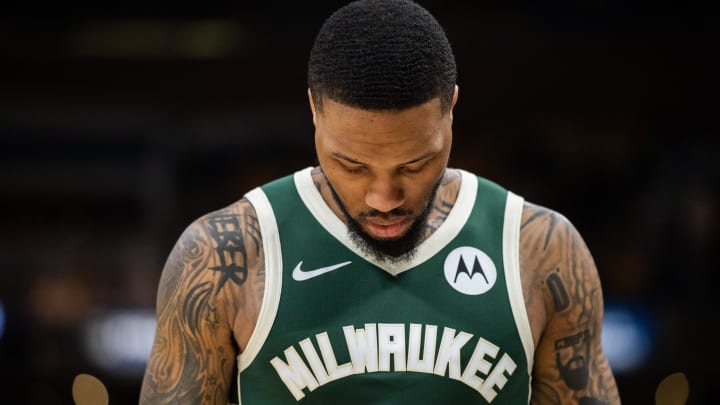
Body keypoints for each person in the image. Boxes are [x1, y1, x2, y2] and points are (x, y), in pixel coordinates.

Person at [139, 0, 621, 403]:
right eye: (352, 166)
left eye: (414, 165)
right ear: (313, 109)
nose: (384, 198)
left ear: (451, 109)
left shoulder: (541, 250)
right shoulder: (225, 256)